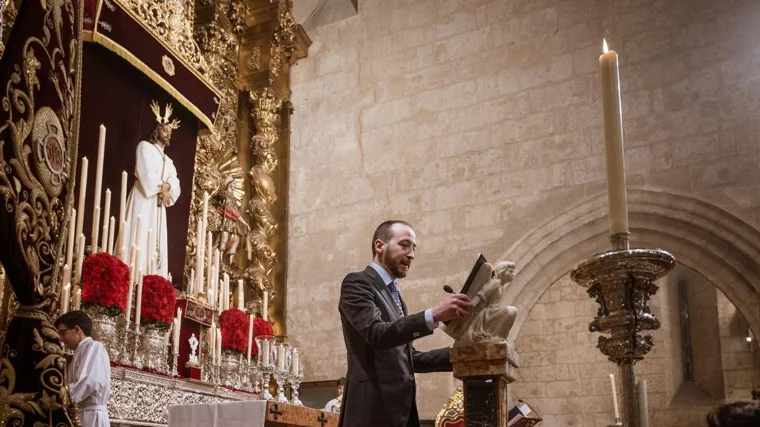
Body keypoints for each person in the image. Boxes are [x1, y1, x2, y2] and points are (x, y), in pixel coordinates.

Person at [338, 220, 475, 427]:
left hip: (399, 413)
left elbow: (409, 357)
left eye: (414, 248)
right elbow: (377, 334)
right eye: (404, 245)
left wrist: (459, 354)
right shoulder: (357, 283)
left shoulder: (396, 298)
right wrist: (433, 315)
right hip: (371, 412)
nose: (411, 254)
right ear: (379, 245)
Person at [119, 101, 181, 278]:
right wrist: (164, 185)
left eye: (170, 131)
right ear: (157, 130)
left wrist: (168, 187)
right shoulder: (144, 147)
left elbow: (175, 183)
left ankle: (150, 280)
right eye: (164, 130)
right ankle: (129, 276)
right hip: (143, 199)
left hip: (158, 205)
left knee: (155, 241)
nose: (167, 133)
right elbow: (145, 174)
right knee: (137, 235)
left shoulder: (169, 161)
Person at [55, 310, 111, 427]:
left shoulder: (94, 347)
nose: (61, 339)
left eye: (63, 333)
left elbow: (90, 382)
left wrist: (62, 396)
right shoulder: (78, 352)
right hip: (80, 414)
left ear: (76, 330)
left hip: (91, 417)